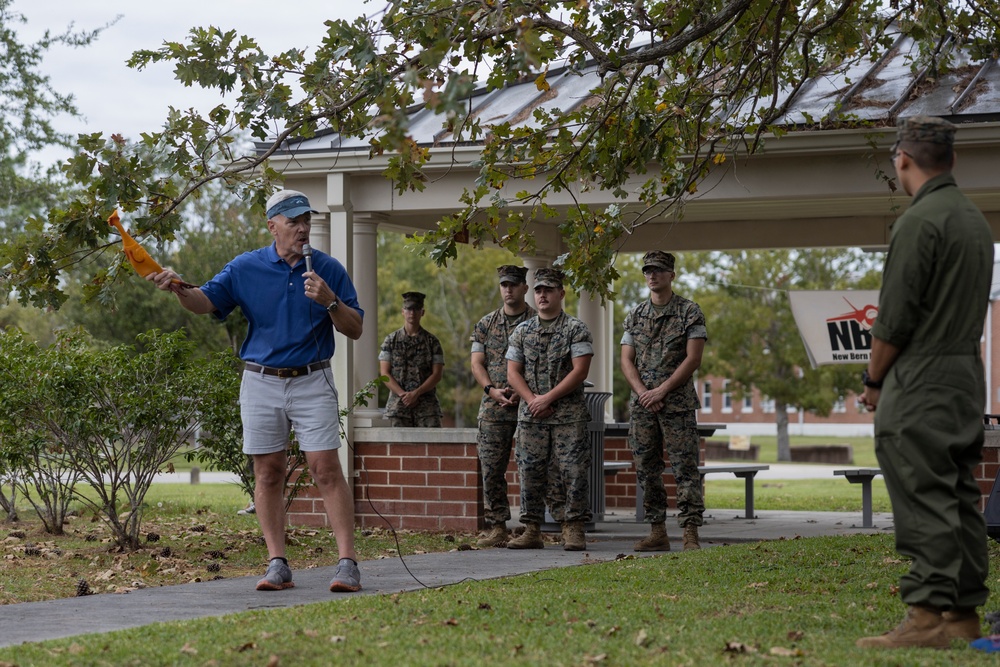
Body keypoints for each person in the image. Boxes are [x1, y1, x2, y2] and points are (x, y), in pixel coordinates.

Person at [149, 189, 365, 594]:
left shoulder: (328, 270)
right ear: (273, 226)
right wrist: (176, 285)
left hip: (312, 379)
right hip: (261, 380)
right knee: (267, 473)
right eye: (294, 221)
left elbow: (355, 328)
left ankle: (348, 564)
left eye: (307, 221)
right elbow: (205, 301)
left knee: (324, 468)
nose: (303, 228)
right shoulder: (245, 267)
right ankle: (278, 563)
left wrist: (331, 301)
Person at [857, 116, 993, 649]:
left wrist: (873, 380)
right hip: (965, 377)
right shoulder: (974, 221)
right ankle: (962, 616)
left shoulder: (919, 221)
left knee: (923, 493)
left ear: (903, 160)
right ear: (952, 160)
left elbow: (893, 320)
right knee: (959, 494)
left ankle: (926, 617)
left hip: (921, 380)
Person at [620, 251, 707, 552]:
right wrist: (645, 392)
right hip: (643, 406)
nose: (652, 275)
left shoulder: (689, 312)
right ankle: (658, 530)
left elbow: (693, 358)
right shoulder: (634, 316)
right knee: (646, 467)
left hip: (677, 404)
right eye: (648, 271)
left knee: (685, 468)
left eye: (658, 270)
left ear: (672, 275)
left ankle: (690, 532)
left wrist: (662, 391)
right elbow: (626, 361)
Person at [505, 267, 594, 551]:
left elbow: (580, 371)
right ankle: (532, 529)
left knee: (573, 471)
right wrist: (532, 399)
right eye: (538, 290)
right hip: (531, 416)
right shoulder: (522, 330)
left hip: (568, 416)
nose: (542, 295)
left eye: (548, 290)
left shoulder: (575, 329)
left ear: (561, 294)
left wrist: (548, 398)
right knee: (530, 471)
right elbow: (512, 373)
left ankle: (573, 528)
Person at [470, 265, 536, 547]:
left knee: (531, 467)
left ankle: (531, 526)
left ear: (524, 288)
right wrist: (491, 390)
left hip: (528, 406)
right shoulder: (486, 324)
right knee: (491, 468)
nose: (508, 289)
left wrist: (523, 393)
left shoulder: (537, 320)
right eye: (504, 285)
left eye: (514, 284)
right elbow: (476, 362)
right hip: (494, 407)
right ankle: (497, 526)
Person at [379, 292, 445, 427]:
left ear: (423, 312)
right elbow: (384, 373)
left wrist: (416, 393)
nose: (412, 313)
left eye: (416, 309)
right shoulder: (391, 341)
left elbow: (437, 374)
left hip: (427, 408)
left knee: (432, 446)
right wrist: (404, 395)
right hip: (398, 406)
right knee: (396, 447)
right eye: (409, 309)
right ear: (402, 311)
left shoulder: (432, 342)